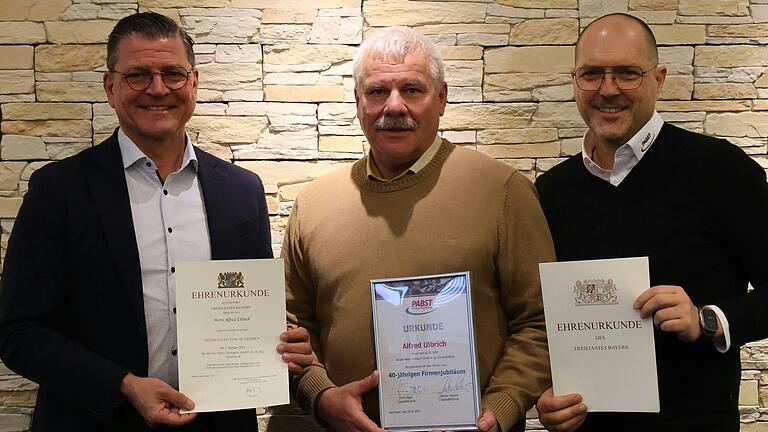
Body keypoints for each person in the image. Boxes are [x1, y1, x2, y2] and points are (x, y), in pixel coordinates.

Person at [0, 12, 312, 432]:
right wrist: (123, 385)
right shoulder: (58, 192)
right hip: (95, 422)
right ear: (111, 87)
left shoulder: (241, 191)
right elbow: (17, 332)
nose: (158, 89)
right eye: (138, 75)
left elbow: (251, 309)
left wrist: (280, 345)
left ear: (194, 83)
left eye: (173, 74)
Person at [283, 26, 556, 432]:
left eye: (412, 89)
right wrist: (321, 396)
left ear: (441, 98)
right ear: (358, 101)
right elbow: (292, 327)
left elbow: (541, 320)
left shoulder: (503, 191)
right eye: (377, 91)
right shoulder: (313, 205)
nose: (394, 106)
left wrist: (500, 408)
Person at [534, 13, 768, 432]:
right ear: (574, 81)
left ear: (658, 79)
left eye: (627, 73)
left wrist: (707, 319)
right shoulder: (550, 193)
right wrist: (545, 397)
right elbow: (540, 321)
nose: (608, 90)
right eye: (591, 74)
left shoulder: (721, 171)